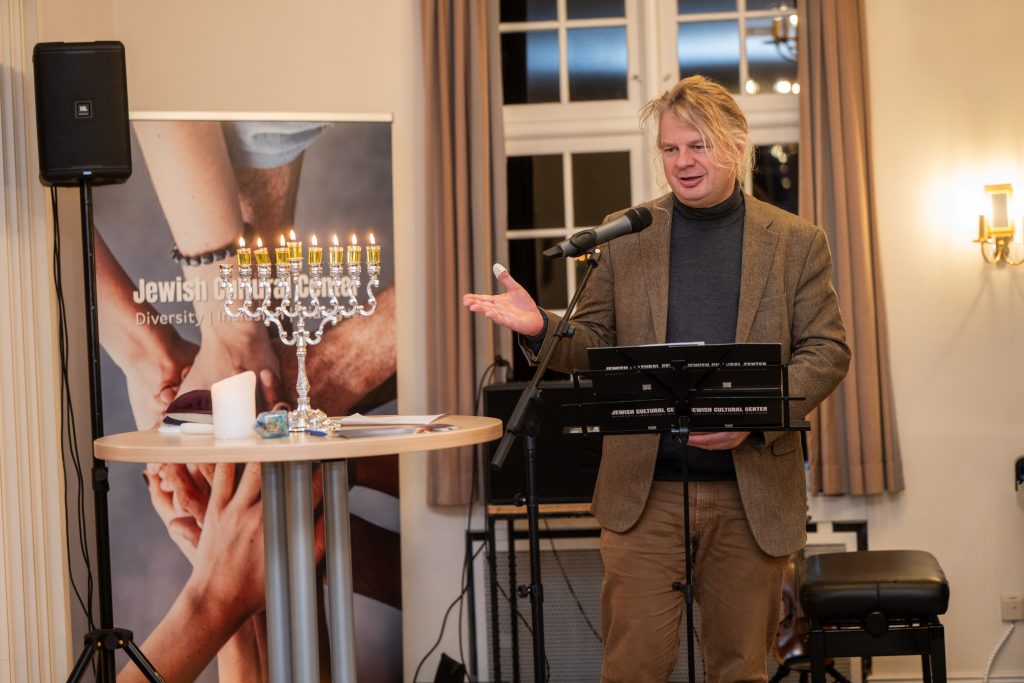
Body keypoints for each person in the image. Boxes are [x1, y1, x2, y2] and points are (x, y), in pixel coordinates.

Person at [463, 75, 850, 683]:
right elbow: (590, 347)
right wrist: (541, 325)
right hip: (644, 493)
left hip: (750, 496)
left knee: (739, 669)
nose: (683, 163)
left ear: (737, 146)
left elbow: (827, 349)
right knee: (633, 668)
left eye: (698, 146)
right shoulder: (627, 233)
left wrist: (750, 420)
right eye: (670, 149)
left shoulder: (796, 241)